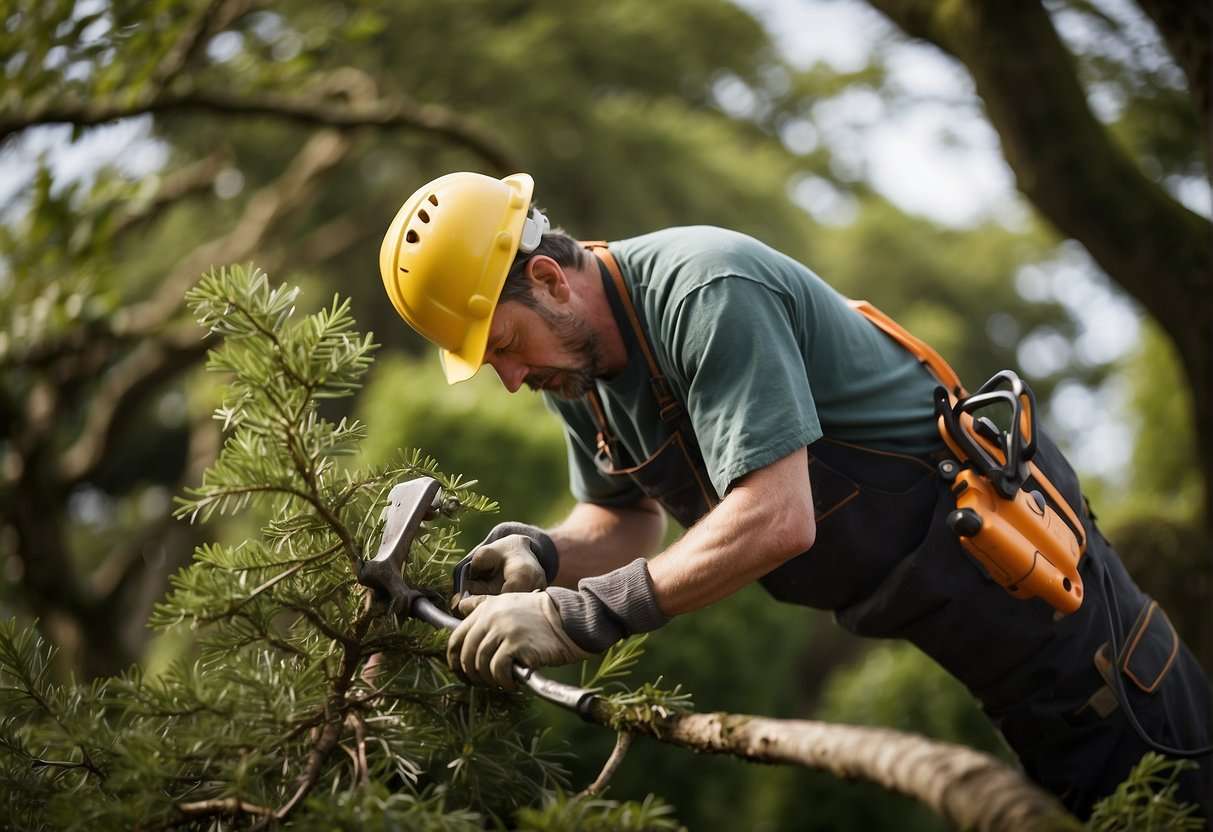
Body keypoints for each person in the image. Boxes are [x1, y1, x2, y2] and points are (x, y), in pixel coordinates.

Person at [378, 171, 1212, 820]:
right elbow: (623, 517)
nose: (514, 379)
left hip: (1065, 618)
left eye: (507, 346)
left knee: (1159, 801)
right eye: (493, 364)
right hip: (980, 652)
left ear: (552, 280)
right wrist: (547, 556)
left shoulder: (704, 293)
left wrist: (578, 614)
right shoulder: (578, 369)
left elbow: (777, 518)